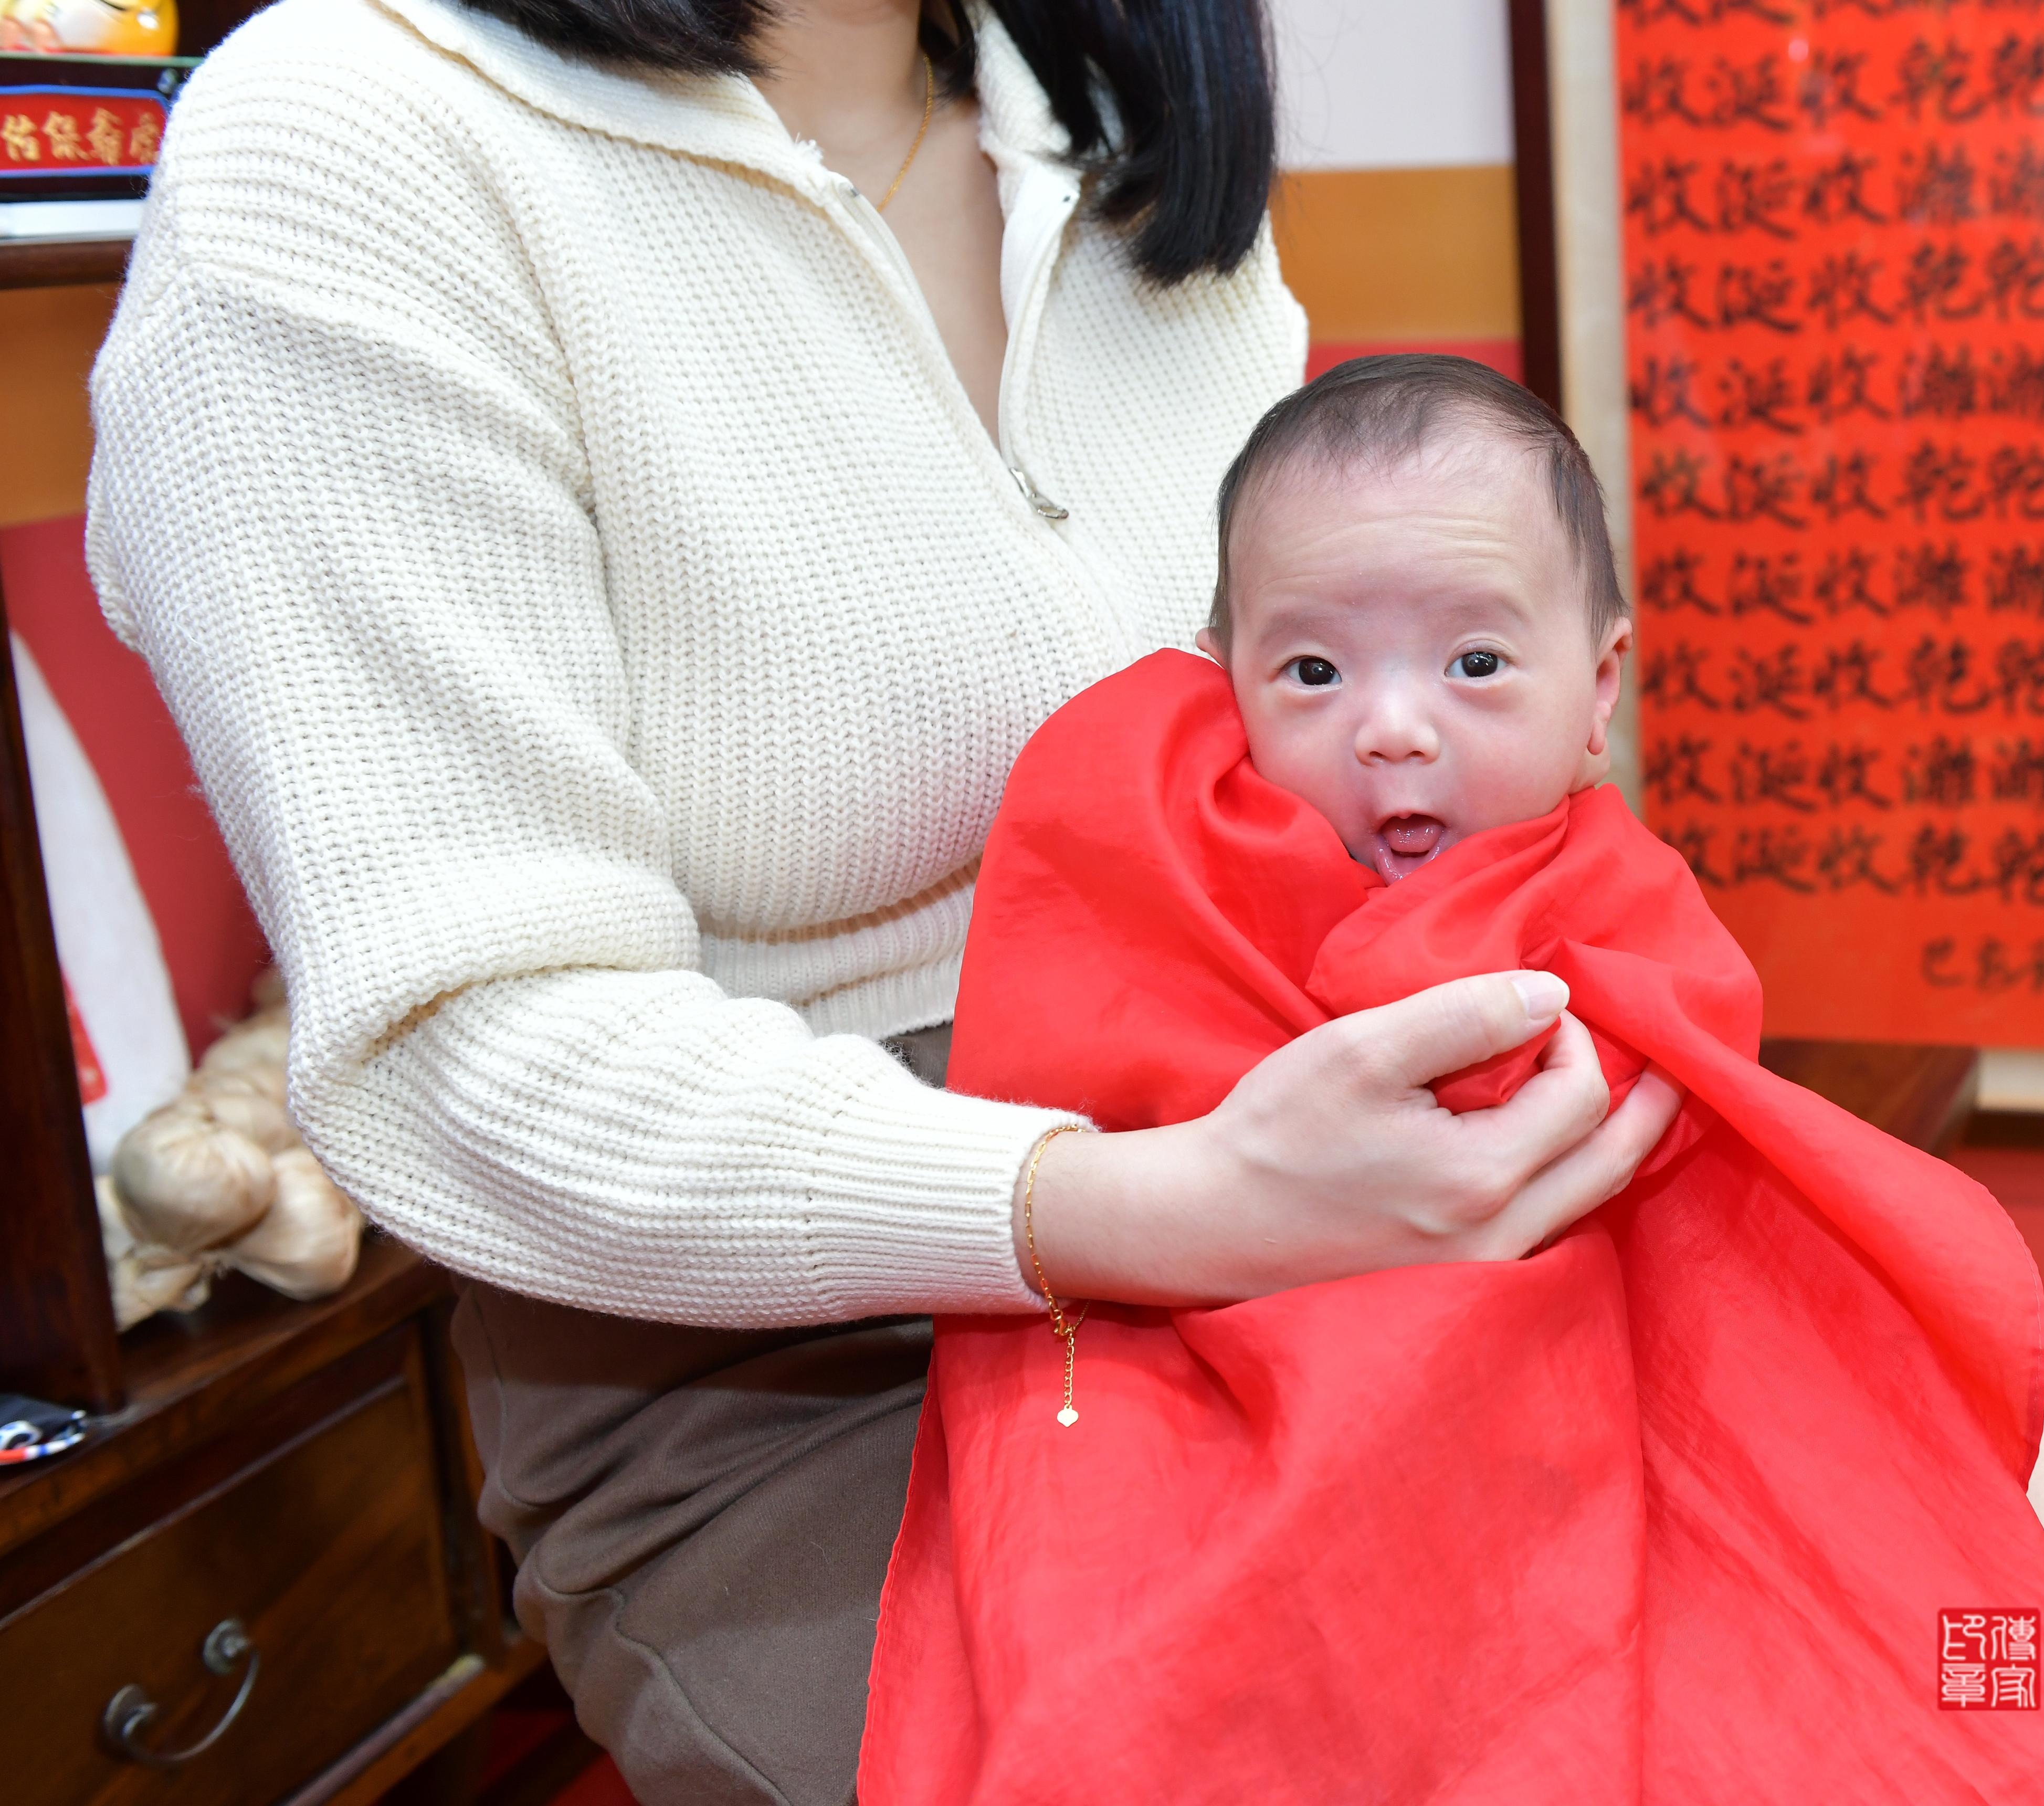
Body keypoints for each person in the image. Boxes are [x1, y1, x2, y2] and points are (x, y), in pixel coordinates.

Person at [85, 5, 1679, 1803]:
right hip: (792, 1358)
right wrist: (1188, 1202)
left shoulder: (1107, 133)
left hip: (1340, 1214)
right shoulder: (351, 135)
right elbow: (470, 1046)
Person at [865, 358, 2044, 1805]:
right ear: (1223, 680)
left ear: (1597, 689)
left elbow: (1687, 1073)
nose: (1390, 729)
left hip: (1632, 1327)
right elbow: (1095, 1051)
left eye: (1475, 662)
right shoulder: (1166, 853)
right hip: (1242, 1323)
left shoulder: (1606, 891)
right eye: (1312, 669)